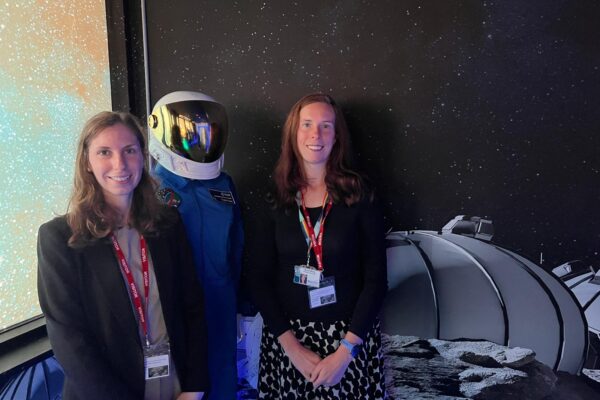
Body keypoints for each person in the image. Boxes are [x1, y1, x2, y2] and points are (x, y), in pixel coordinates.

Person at [37, 111, 209, 400]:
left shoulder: (167, 223)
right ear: (87, 162)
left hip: (175, 387)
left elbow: (192, 305)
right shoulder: (59, 238)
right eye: (105, 152)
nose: (120, 164)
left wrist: (194, 387)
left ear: (142, 156)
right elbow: (68, 338)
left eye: (129, 151)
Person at [246, 93, 388, 399]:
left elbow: (376, 281)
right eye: (307, 124)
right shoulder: (274, 198)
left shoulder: (360, 195)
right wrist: (292, 348)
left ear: (337, 136)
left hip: (349, 346)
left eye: (326, 126)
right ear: (293, 132)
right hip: (288, 345)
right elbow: (258, 279)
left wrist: (345, 352)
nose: (315, 134)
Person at [148, 91, 244, 400]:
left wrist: (245, 305)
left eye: (206, 134)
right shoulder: (148, 191)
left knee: (222, 381)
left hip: (220, 304)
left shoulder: (223, 186)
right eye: (190, 135)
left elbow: (236, 246)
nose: (199, 142)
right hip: (173, 313)